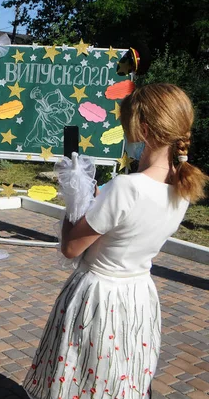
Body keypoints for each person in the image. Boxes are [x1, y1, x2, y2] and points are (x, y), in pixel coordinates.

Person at [23, 83, 208, 399]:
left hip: (99, 299)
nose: (128, 137)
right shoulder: (183, 190)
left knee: (81, 383)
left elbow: (71, 248)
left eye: (130, 128)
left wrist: (74, 198)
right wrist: (94, 201)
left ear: (145, 130)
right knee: (120, 382)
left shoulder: (127, 188)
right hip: (138, 297)